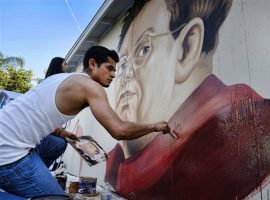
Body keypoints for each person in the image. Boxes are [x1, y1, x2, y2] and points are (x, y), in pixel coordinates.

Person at [105, 0, 270, 199]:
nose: (126, 75)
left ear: (188, 47)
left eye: (144, 50)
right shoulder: (117, 165)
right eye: (124, 64)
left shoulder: (242, 129)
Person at [0, 45, 170, 199]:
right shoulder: (90, 87)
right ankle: (29, 184)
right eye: (109, 68)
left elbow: (36, 114)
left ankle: (36, 177)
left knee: (58, 144)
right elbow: (119, 130)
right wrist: (154, 126)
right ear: (92, 64)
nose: (113, 75)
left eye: (115, 70)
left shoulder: (60, 78)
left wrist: (65, 134)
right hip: (7, 154)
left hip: (6, 134)